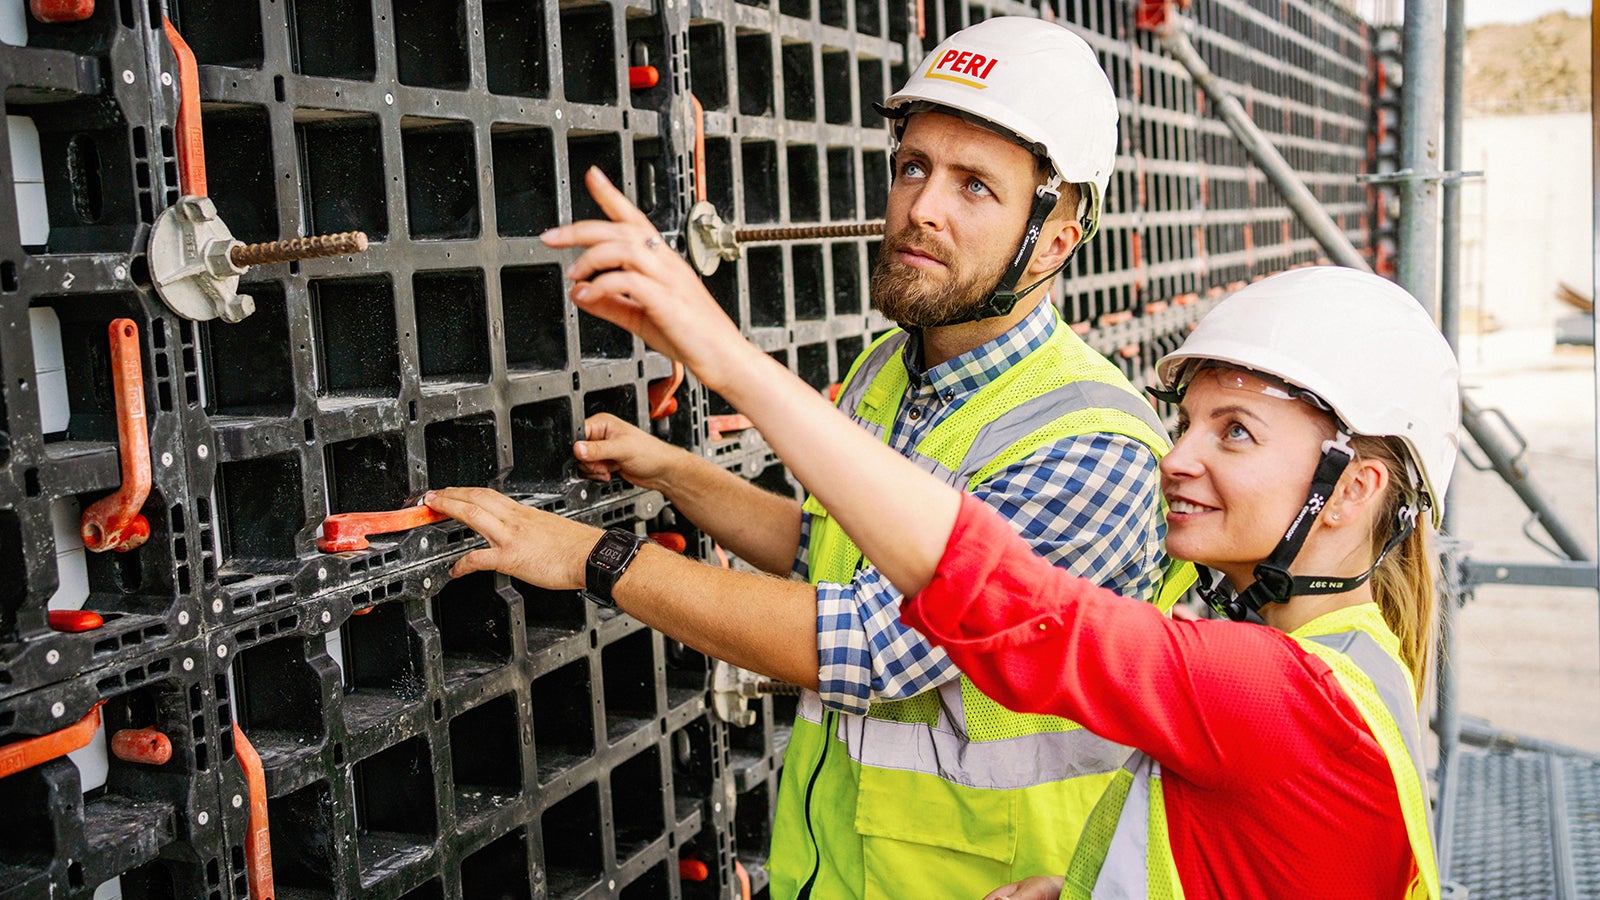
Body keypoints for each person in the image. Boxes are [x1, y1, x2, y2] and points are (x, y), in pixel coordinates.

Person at [428, 16, 1193, 898]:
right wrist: (680, 475)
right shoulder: (890, 369)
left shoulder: (1089, 444)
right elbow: (828, 553)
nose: (922, 207)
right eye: (914, 167)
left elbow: (871, 644)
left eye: (975, 185)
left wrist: (593, 558)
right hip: (834, 870)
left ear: (1056, 237)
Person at [490, 258, 1453, 897]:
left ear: (1350, 491)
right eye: (1189, 420)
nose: (1176, 457)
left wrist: (727, 364)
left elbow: (1002, 602)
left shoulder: (1275, 691)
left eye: (1234, 433)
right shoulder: (1355, 661)